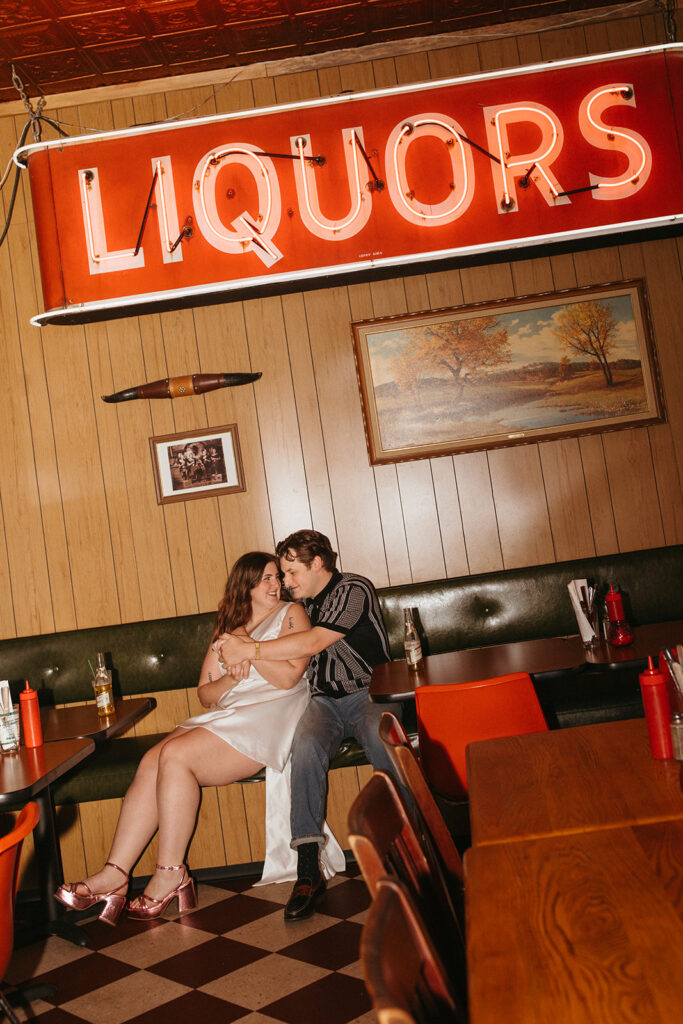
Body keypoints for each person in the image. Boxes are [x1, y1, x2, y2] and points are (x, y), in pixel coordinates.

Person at [54, 551, 316, 925]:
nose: (277, 585)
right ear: (246, 586)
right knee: (151, 760)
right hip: (232, 711)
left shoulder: (292, 615)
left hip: (272, 713)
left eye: (277, 577)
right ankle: (114, 874)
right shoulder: (228, 627)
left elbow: (289, 677)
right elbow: (206, 695)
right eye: (266, 579)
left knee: (175, 756)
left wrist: (248, 651)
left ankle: (170, 873)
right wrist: (233, 674)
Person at [217, 529, 403, 921]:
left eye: (290, 572)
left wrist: (247, 650)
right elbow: (249, 623)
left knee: (378, 736)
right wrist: (234, 639)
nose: (285, 582)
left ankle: (405, 845)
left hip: (370, 691)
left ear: (317, 564)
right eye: (281, 575)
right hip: (323, 702)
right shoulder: (297, 605)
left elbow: (315, 641)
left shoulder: (354, 588)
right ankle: (306, 867)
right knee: (304, 747)